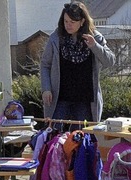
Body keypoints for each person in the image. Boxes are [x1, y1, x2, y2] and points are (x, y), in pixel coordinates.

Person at [40, 1, 115, 131]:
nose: (68, 25)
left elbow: (110, 61)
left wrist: (94, 46)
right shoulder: (56, 38)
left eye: (72, 22)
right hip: (60, 98)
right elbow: (45, 65)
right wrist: (46, 88)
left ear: (82, 21)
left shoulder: (95, 37)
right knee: (53, 134)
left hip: (85, 100)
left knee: (81, 138)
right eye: (66, 21)